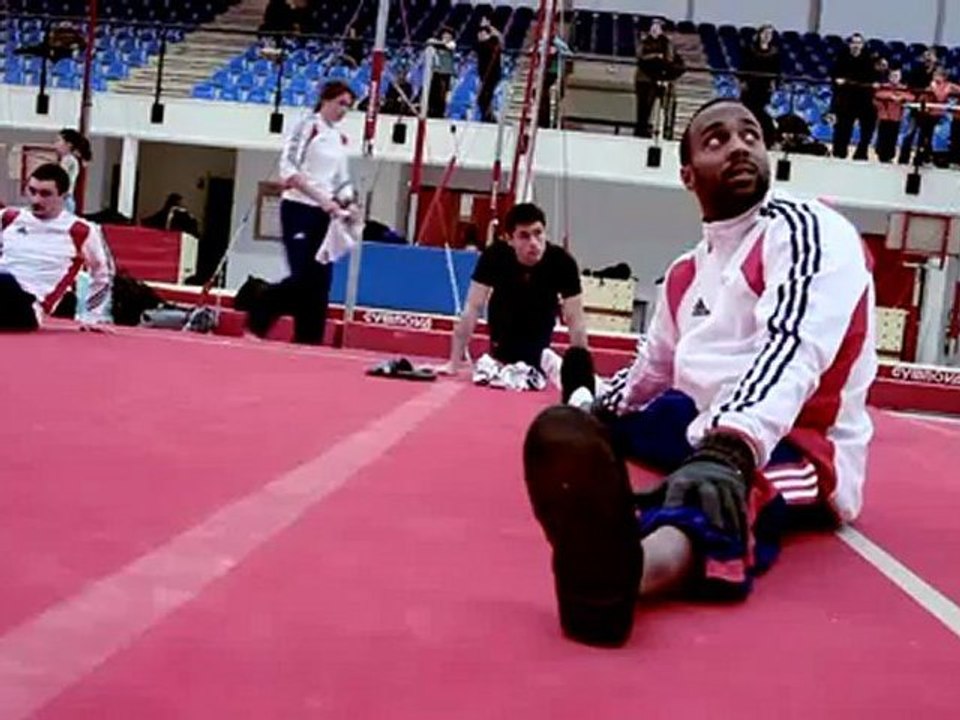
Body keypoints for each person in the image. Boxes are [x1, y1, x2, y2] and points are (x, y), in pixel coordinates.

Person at [522, 98, 877, 647]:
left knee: (722, 492)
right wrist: (594, 413)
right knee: (625, 421)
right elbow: (653, 369)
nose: (738, 146)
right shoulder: (686, 272)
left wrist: (730, 448)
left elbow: (794, 348)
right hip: (699, 420)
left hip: (794, 441)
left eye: (750, 136)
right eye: (717, 140)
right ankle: (591, 426)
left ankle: (630, 570)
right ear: (688, 175)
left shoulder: (809, 230)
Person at [246, 80, 359, 345]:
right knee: (304, 275)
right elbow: (289, 170)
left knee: (321, 281)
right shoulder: (307, 126)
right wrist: (322, 199)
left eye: (348, 106)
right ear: (326, 100)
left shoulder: (338, 138)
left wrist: (350, 203)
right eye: (340, 103)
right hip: (299, 208)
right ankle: (261, 308)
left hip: (325, 215)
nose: (344, 110)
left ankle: (309, 339)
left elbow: (341, 179)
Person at [438, 202, 588, 381]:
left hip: (539, 334)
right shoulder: (494, 256)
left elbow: (575, 320)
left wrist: (582, 375)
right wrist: (453, 363)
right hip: (502, 334)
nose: (533, 243)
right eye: (524, 236)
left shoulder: (562, 262)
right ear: (509, 239)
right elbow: (473, 307)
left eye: (538, 233)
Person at [0, 163, 113, 331]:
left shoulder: (80, 230)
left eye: (45, 194)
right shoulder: (8, 218)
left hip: (28, 306)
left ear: (64, 196)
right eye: (32, 191)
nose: (36, 200)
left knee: (6, 282)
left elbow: (102, 272)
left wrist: (93, 317)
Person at [829, 33, 879, 160]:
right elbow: (835, 77)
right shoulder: (842, 58)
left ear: (862, 45)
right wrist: (839, 81)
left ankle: (861, 152)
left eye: (859, 43)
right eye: (854, 43)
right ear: (850, 44)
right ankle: (839, 153)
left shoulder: (868, 60)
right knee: (843, 128)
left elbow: (874, 79)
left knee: (868, 125)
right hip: (846, 99)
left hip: (864, 99)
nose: (856, 45)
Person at [739, 24, 780, 146]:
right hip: (750, 86)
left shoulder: (775, 52)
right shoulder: (750, 49)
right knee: (748, 111)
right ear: (759, 34)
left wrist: (774, 83)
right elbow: (744, 66)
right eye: (765, 33)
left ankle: (766, 138)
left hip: (764, 87)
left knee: (760, 112)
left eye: (770, 34)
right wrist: (742, 81)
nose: (767, 36)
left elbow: (776, 71)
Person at [633, 18, 674, 139]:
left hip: (655, 77)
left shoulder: (665, 42)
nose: (655, 29)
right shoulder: (644, 41)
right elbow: (639, 55)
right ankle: (639, 128)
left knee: (649, 104)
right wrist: (654, 55)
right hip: (642, 77)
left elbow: (669, 58)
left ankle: (645, 127)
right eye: (653, 26)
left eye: (658, 26)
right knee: (641, 105)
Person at [873, 67, 913, 163]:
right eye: (892, 76)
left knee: (892, 137)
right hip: (884, 116)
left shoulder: (903, 88)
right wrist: (890, 96)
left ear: (900, 77)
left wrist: (901, 97)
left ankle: (890, 156)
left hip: (896, 117)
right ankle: (881, 154)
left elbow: (911, 97)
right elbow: (877, 94)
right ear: (889, 77)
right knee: (882, 136)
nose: (894, 78)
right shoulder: (884, 86)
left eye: (897, 76)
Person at [54, 128, 92, 214]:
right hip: (66, 199)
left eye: (58, 141)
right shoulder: (68, 159)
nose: (55, 144)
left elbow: (60, 179)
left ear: (69, 144)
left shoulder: (69, 160)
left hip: (64, 199)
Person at [475, 17, 503, 122]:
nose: (480, 35)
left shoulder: (493, 42)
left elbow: (500, 39)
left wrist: (489, 26)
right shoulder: (480, 45)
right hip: (484, 74)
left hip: (492, 74)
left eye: (483, 33)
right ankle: (487, 116)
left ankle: (489, 117)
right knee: (483, 97)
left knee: (485, 96)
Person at [426, 27, 456, 119]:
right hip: (436, 72)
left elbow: (449, 46)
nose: (446, 36)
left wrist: (437, 43)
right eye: (444, 34)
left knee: (442, 94)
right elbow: (429, 41)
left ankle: (440, 112)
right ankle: (431, 111)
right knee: (433, 93)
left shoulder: (452, 44)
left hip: (445, 73)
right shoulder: (437, 44)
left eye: (448, 35)